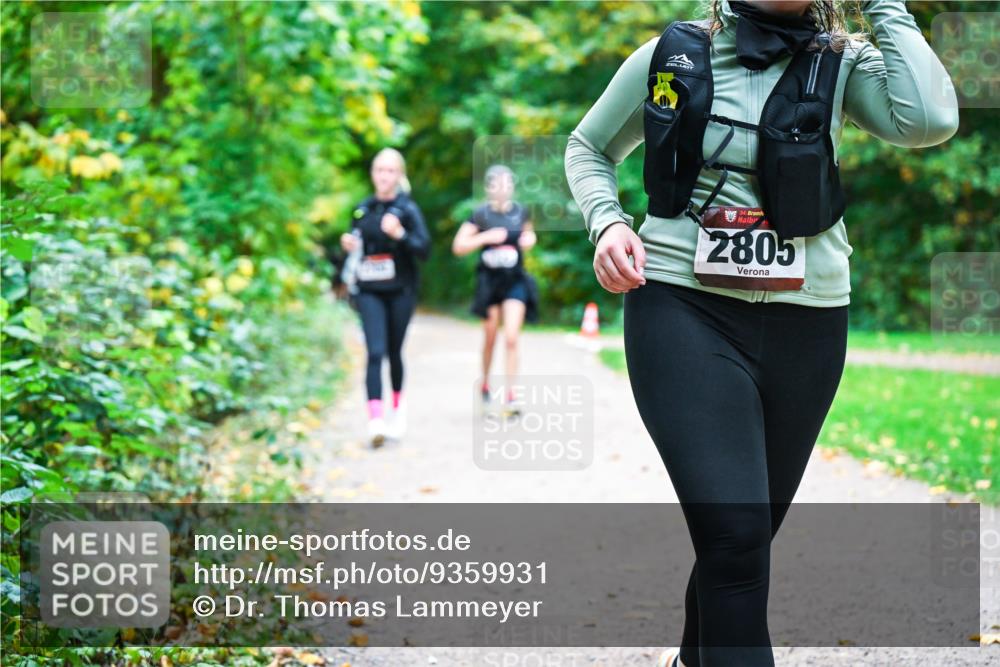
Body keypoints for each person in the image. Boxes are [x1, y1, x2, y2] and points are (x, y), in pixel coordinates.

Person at [564, 1, 958, 665]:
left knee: (741, 541)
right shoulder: (672, 55)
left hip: (809, 323)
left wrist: (885, 6)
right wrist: (607, 222)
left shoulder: (843, 63)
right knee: (736, 532)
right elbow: (588, 147)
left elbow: (929, 119)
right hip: (682, 309)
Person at [341, 148, 430, 447]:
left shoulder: (408, 209)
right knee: (375, 352)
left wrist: (400, 235)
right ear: (373, 174)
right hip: (369, 291)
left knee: (394, 352)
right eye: (380, 170)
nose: (384, 176)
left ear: (399, 175)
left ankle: (397, 409)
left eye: (390, 171)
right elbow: (356, 245)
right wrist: (348, 243)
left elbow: (424, 250)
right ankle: (375, 421)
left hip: (401, 291)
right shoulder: (362, 209)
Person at [451, 164, 539, 415]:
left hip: (515, 280)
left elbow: (530, 235)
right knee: (490, 337)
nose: (502, 189)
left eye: (507, 184)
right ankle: (486, 385)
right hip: (489, 283)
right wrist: (486, 237)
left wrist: (529, 240)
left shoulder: (520, 212)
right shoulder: (480, 215)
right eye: (497, 184)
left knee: (511, 337)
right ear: (489, 188)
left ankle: (511, 396)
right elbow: (458, 246)